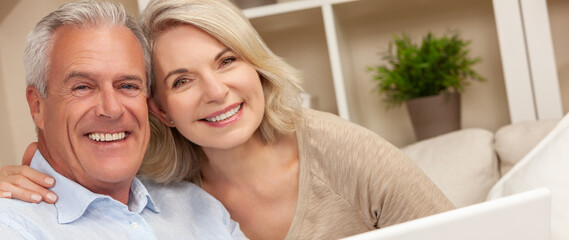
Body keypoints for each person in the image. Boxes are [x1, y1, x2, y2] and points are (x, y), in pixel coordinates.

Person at [1, 0, 454, 239]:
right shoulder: (156, 181)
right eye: (181, 81)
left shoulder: (342, 152)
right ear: (162, 109)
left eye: (226, 61)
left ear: (256, 66)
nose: (215, 92)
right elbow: (69, 164)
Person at [0, 1, 246, 239]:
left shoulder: (199, 206)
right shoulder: (12, 225)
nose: (112, 108)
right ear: (37, 106)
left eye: (127, 85)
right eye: (83, 87)